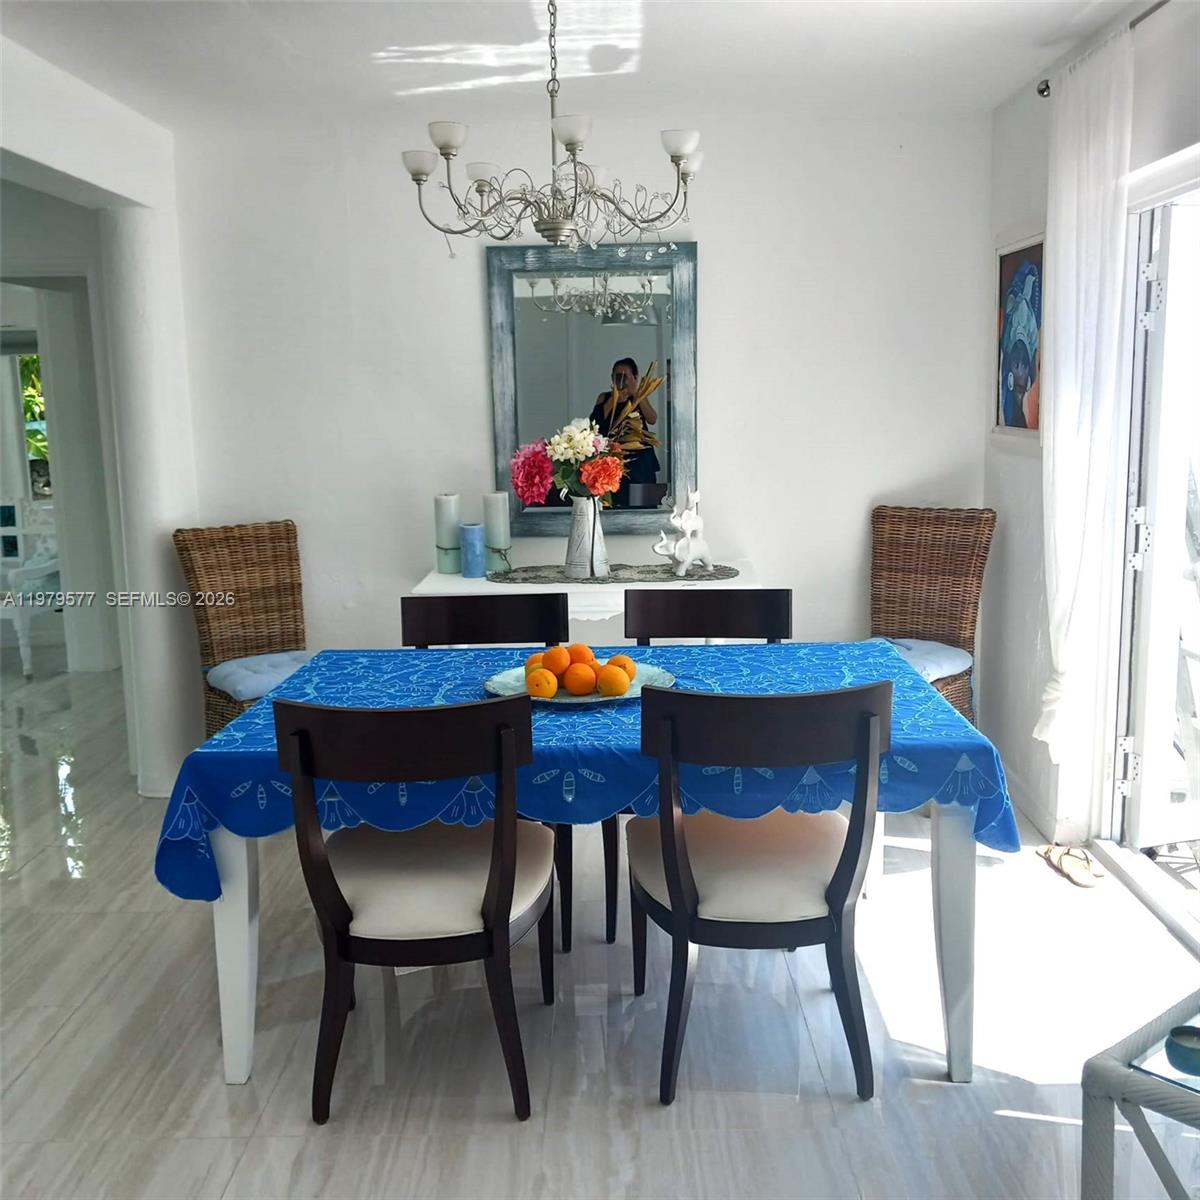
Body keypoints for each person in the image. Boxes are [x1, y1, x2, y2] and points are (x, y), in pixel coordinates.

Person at [589, 357, 660, 505]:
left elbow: (652, 419)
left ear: (634, 377)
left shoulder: (638, 398)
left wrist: (637, 394)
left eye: (624, 376)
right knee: (614, 506)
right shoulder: (604, 398)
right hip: (612, 463)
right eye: (617, 376)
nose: (621, 380)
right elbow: (594, 425)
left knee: (645, 507)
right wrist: (613, 399)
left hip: (641, 463)